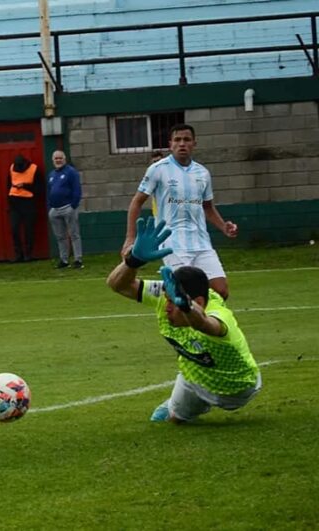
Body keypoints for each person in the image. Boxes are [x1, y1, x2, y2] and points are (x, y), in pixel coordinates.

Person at [107, 216, 261, 423]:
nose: (166, 306)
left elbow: (204, 323)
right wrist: (133, 261)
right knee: (173, 419)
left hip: (238, 388)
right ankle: (175, 406)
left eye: (173, 302)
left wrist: (185, 306)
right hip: (195, 379)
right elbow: (118, 285)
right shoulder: (166, 292)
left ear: (197, 301)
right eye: (168, 300)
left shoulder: (220, 316)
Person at [122, 124, 238, 299]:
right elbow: (136, 203)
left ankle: (167, 291)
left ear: (194, 143)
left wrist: (223, 226)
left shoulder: (203, 173)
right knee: (186, 291)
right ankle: (169, 300)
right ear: (170, 144)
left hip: (201, 242)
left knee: (220, 291)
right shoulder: (158, 169)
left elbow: (207, 206)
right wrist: (130, 239)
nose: (182, 144)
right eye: (177, 140)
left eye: (186, 139)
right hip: (172, 243)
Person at [47, 150, 83, 269]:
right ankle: (64, 260)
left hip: (68, 207)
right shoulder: (52, 174)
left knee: (74, 234)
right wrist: (50, 207)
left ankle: (78, 259)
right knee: (60, 236)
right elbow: (49, 191)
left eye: (60, 158)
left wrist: (73, 205)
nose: (58, 160)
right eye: (56, 158)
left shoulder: (71, 172)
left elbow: (77, 189)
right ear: (53, 160)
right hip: (55, 209)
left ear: (64, 159)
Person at [7, 154, 43, 262]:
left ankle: (28, 255)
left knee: (29, 230)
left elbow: (40, 188)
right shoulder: (12, 168)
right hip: (14, 203)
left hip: (28, 203)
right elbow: (8, 184)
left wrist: (25, 186)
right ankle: (19, 254)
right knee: (14, 229)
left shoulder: (34, 169)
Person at [148, 150, 164, 217]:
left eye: (159, 161)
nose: (157, 164)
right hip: (157, 212)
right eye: (155, 162)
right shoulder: (151, 175)